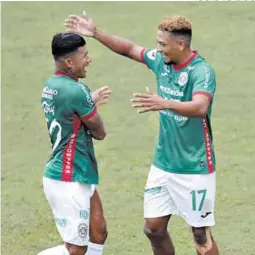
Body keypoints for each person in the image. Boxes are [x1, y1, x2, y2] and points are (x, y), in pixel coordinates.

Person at [65, 12, 220, 255]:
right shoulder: (161, 61)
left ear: (181, 44)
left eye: (162, 44)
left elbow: (200, 107)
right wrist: (95, 33)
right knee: (153, 228)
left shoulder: (201, 72)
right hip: (163, 165)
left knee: (200, 234)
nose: (158, 50)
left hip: (195, 167)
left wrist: (164, 102)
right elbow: (129, 49)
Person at [38, 32, 111, 255]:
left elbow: (70, 113)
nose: (89, 59)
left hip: (78, 170)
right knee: (76, 249)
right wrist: (91, 103)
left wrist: (89, 100)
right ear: (69, 62)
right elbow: (99, 132)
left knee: (98, 232)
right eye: (84, 55)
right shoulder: (77, 90)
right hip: (68, 178)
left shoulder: (52, 85)